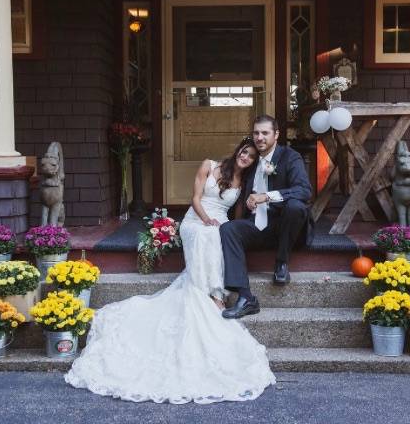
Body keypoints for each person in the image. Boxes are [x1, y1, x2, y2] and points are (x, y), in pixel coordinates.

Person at [65, 138, 276, 404]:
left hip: (220, 221)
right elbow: (196, 198)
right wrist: (204, 219)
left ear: (253, 162)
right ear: (238, 151)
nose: (246, 157)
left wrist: (231, 225)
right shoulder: (209, 165)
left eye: (251, 157)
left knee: (218, 235)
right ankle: (212, 294)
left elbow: (234, 214)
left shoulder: (243, 183)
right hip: (195, 219)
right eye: (244, 152)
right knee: (204, 236)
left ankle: (215, 292)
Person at [221, 115, 313, 320]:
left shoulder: (290, 157)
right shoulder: (250, 161)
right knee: (228, 229)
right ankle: (246, 298)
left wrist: (266, 197)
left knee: (296, 207)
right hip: (255, 224)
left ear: (276, 135)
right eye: (256, 133)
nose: (260, 137)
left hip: (284, 226)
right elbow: (229, 178)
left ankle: (281, 262)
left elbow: (304, 190)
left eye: (265, 133)